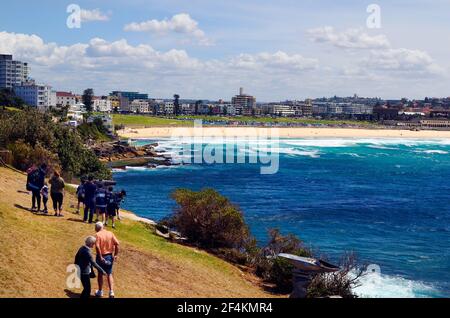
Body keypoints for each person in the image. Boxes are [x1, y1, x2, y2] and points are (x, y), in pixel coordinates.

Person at [94, 222, 119, 298]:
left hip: (101, 256)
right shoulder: (110, 233)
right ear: (103, 226)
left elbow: (97, 247)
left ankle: (100, 291)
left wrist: (100, 256)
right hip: (109, 256)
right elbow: (117, 243)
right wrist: (115, 255)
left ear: (96, 228)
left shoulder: (97, 235)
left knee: (100, 274)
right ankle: (111, 292)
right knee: (109, 273)